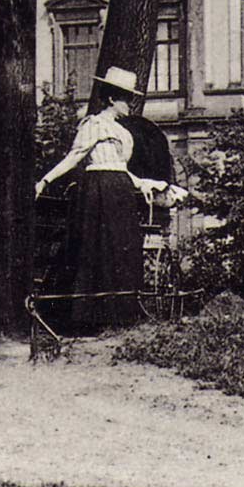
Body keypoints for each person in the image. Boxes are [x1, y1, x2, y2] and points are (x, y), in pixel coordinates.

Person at [35, 66, 167, 331]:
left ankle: (120, 315)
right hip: (96, 192)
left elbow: (122, 169)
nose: (129, 105)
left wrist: (147, 184)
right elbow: (74, 158)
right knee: (96, 249)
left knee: (123, 247)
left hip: (120, 192)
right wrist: (45, 180)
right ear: (111, 99)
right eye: (124, 99)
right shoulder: (93, 125)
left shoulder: (124, 132)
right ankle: (89, 317)